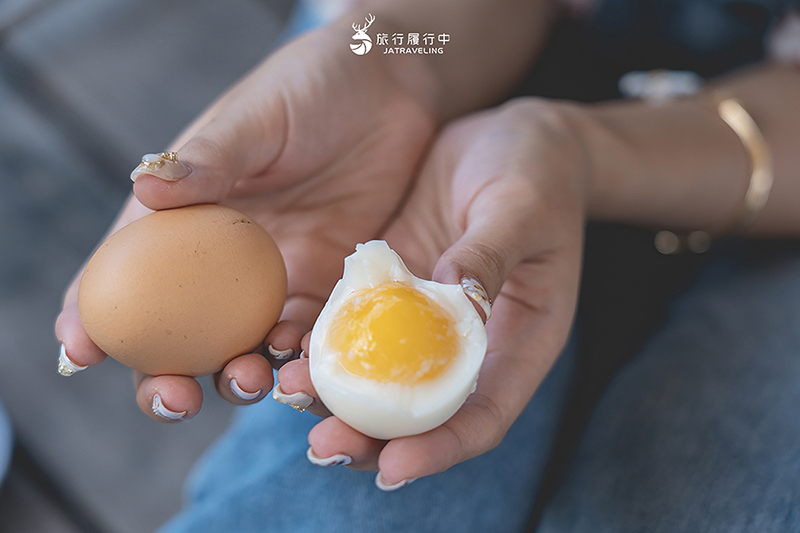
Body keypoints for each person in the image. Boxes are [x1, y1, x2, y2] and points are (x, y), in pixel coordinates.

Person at [54, 0, 800, 530]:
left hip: (764, 166)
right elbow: (427, 28)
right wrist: (398, 62)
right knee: (350, 510)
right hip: (454, 46)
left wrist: (580, 150)